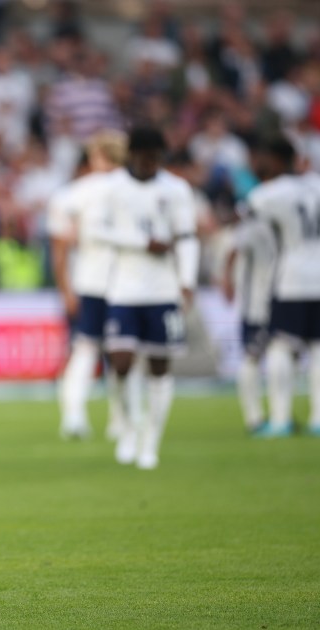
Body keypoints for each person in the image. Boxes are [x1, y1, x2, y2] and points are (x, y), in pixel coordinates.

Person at [97, 126, 199, 469]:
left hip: (163, 289)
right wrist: (142, 243)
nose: (151, 164)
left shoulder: (176, 189)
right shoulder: (112, 187)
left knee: (159, 366)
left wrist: (187, 281)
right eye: (145, 158)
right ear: (132, 156)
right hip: (123, 288)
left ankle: (150, 441)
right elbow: (96, 229)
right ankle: (128, 427)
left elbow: (187, 237)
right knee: (122, 363)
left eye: (156, 159)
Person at [49, 130, 145, 442]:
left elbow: (61, 246)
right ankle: (122, 420)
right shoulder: (140, 189)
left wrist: (65, 289)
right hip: (131, 282)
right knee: (127, 352)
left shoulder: (74, 193)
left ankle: (74, 417)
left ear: (96, 156)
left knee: (85, 349)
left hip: (90, 280)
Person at [245, 138, 320, 437]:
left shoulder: (269, 193)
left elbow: (245, 217)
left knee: (280, 344)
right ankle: (319, 420)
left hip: (290, 275)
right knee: (319, 346)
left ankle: (280, 419)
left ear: (276, 161)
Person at [221, 196, 278, 433]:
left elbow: (233, 253)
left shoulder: (251, 228)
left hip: (258, 303)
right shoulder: (268, 228)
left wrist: (227, 280)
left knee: (257, 357)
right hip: (263, 303)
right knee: (259, 357)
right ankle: (260, 417)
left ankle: (262, 416)